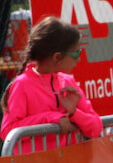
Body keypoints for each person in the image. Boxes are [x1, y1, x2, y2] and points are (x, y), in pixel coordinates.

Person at [0, 17, 102, 151]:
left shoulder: (68, 82)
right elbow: (8, 132)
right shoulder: (22, 84)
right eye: (77, 53)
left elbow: (96, 128)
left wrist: (74, 113)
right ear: (57, 57)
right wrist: (49, 118)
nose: (79, 59)